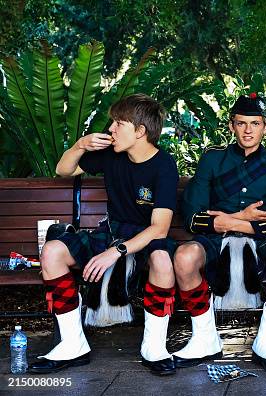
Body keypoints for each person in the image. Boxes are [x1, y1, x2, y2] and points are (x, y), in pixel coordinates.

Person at [30, 94, 180, 376]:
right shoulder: (112, 154)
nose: (110, 129)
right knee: (52, 251)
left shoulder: (164, 165)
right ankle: (72, 344)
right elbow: (63, 170)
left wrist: (115, 252)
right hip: (112, 231)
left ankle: (155, 346)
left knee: (161, 259)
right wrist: (79, 145)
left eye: (118, 123)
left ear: (140, 131)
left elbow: (159, 228)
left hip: (146, 237)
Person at [174, 93, 266, 374]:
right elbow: (192, 218)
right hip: (215, 239)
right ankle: (204, 338)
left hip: (262, 242)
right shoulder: (212, 160)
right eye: (241, 123)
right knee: (184, 256)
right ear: (232, 125)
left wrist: (237, 222)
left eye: (255, 124)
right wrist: (231, 222)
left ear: (265, 126)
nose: (248, 130)